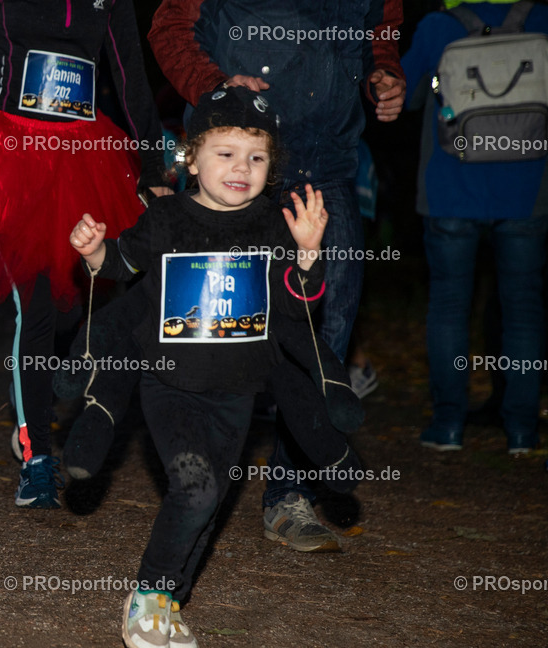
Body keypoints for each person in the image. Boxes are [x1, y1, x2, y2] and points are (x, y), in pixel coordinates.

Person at [69, 87, 327, 648]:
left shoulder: (273, 224)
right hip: (170, 384)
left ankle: (174, 602)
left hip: (238, 393)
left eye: (256, 158)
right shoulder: (166, 218)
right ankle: (149, 594)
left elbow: (298, 309)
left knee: (209, 502)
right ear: (193, 156)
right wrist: (93, 253)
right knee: (196, 487)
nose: (242, 168)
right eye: (226, 153)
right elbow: (121, 262)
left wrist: (307, 256)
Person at [149, 0, 406, 552]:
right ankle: (197, 485)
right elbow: (169, 27)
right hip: (244, 169)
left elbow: (380, 28)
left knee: (326, 334)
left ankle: (288, 494)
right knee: (218, 329)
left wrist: (385, 71)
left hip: (331, 168)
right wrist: (216, 87)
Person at [0, 0, 170, 508]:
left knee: (81, 300)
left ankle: (32, 395)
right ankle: (38, 458)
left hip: (82, 158)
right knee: (39, 306)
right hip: (4, 156)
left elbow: (131, 77)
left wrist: (154, 171)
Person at [402, 0, 548, 454]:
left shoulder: (439, 24)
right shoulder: (542, 20)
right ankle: (522, 430)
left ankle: (448, 425)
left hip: (450, 188)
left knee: (449, 306)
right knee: (523, 310)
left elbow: (405, 97)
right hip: (528, 190)